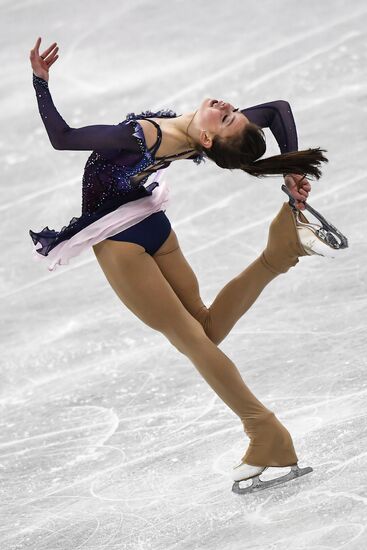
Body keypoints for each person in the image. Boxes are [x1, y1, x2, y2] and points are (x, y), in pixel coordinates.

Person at [29, 37, 330, 491]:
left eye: (228, 117)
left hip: (120, 240)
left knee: (192, 340)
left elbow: (62, 138)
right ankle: (278, 255)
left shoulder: (144, 136)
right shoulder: (199, 140)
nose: (229, 105)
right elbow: (277, 109)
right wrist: (291, 168)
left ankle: (265, 433)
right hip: (153, 223)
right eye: (233, 112)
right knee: (203, 331)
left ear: (208, 139)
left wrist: (40, 81)